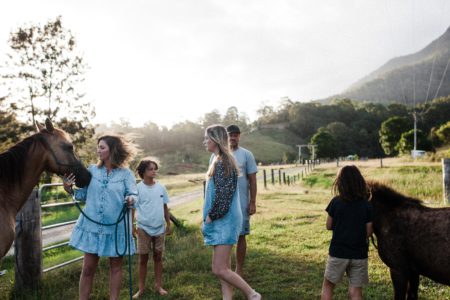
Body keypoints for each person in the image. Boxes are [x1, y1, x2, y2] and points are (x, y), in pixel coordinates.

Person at [63, 135, 138, 300]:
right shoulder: (92, 170)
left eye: (102, 147)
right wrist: (69, 189)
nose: (98, 150)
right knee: (88, 268)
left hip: (116, 228)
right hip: (92, 227)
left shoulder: (126, 174)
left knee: (116, 268)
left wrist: (131, 199)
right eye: (98, 147)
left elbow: (133, 193)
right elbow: (82, 195)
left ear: (112, 150)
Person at [202, 124, 261, 300]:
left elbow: (224, 196)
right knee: (224, 267)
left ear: (215, 139)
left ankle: (253, 295)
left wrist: (211, 216)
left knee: (218, 268)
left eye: (207, 138)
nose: (204, 141)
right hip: (224, 218)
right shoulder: (217, 159)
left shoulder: (222, 162)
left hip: (224, 219)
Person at [321, 165, 373, 300]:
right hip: (359, 254)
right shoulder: (366, 205)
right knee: (356, 292)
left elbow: (328, 225)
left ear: (340, 182)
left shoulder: (336, 202)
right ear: (359, 181)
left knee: (328, 286)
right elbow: (368, 232)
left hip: (338, 252)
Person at [132, 158, 171, 298]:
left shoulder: (161, 187)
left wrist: (168, 223)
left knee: (158, 257)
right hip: (143, 228)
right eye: (150, 169)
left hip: (159, 228)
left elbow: (165, 206)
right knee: (142, 259)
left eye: (155, 169)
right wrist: (132, 226)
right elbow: (133, 209)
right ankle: (141, 289)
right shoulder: (138, 189)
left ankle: (158, 286)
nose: (154, 171)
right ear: (143, 171)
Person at [226, 124, 258, 276]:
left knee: (241, 236)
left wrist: (252, 202)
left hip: (242, 203)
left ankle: (238, 269)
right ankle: (226, 268)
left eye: (235, 134)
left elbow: (252, 180)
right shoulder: (217, 155)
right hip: (224, 205)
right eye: (230, 134)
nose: (232, 137)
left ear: (239, 136)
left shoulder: (247, 154)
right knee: (225, 237)